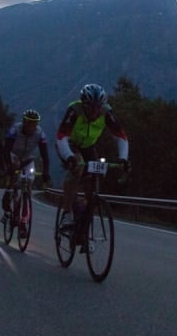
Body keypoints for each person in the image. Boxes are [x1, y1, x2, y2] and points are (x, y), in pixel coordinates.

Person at [55, 84, 130, 244]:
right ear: (84, 105)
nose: (95, 112)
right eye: (91, 108)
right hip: (70, 144)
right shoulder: (75, 110)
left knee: (93, 185)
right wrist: (69, 156)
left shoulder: (106, 112)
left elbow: (121, 136)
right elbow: (61, 136)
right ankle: (66, 214)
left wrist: (123, 159)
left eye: (98, 108)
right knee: (79, 166)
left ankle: (83, 225)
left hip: (88, 146)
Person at [1, 109, 52, 234]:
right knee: (13, 175)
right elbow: (6, 149)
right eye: (29, 123)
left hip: (28, 159)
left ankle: (23, 220)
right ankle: (9, 193)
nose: (32, 126)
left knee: (27, 187)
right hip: (14, 155)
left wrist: (46, 171)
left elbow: (45, 155)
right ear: (24, 122)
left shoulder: (40, 133)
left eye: (35, 123)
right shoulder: (15, 129)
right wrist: (8, 165)